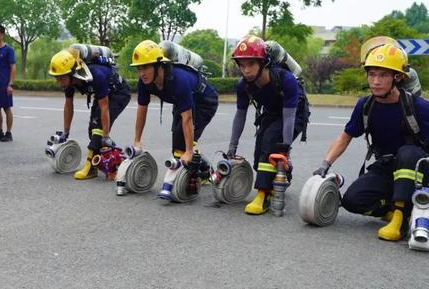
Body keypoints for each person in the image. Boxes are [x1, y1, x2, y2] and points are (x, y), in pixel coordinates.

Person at [313, 42, 429, 241]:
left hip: (418, 170)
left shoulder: (418, 107)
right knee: (352, 200)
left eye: (383, 75)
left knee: (407, 152)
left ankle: (400, 220)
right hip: (387, 167)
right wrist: (325, 165)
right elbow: (345, 136)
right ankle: (396, 210)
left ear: (398, 77)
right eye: (372, 74)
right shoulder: (365, 105)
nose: (375, 81)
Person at [227, 35, 309, 215]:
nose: (246, 70)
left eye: (251, 64)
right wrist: (233, 145)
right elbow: (240, 116)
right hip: (271, 113)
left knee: (271, 141)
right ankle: (279, 177)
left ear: (263, 62)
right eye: (242, 65)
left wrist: (285, 148)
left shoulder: (285, 79)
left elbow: (288, 117)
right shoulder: (243, 85)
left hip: (295, 113)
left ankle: (263, 195)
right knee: (260, 151)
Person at [130, 40, 218, 200]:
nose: (141, 73)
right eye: (139, 68)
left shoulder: (179, 80)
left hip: (205, 102)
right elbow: (141, 111)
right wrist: (137, 141)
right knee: (178, 143)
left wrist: (189, 151)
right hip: (182, 101)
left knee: (182, 144)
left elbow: (188, 118)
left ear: (159, 66)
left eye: (146, 67)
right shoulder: (144, 83)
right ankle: (204, 171)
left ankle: (191, 178)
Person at [48, 49, 131, 179]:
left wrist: (106, 135)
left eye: (61, 78)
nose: (59, 82)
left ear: (72, 73)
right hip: (103, 96)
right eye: (56, 78)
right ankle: (111, 162)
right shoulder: (69, 81)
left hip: (119, 93)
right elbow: (68, 105)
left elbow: (104, 107)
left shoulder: (96, 75)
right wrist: (65, 133)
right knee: (92, 132)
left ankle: (91, 167)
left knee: (98, 130)